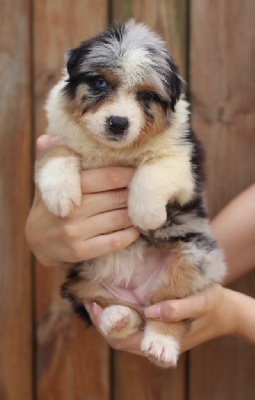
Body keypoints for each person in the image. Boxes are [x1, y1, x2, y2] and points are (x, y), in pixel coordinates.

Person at [26, 135, 255, 356]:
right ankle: (127, 310)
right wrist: (65, 242)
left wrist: (233, 314)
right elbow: (208, 248)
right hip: (130, 268)